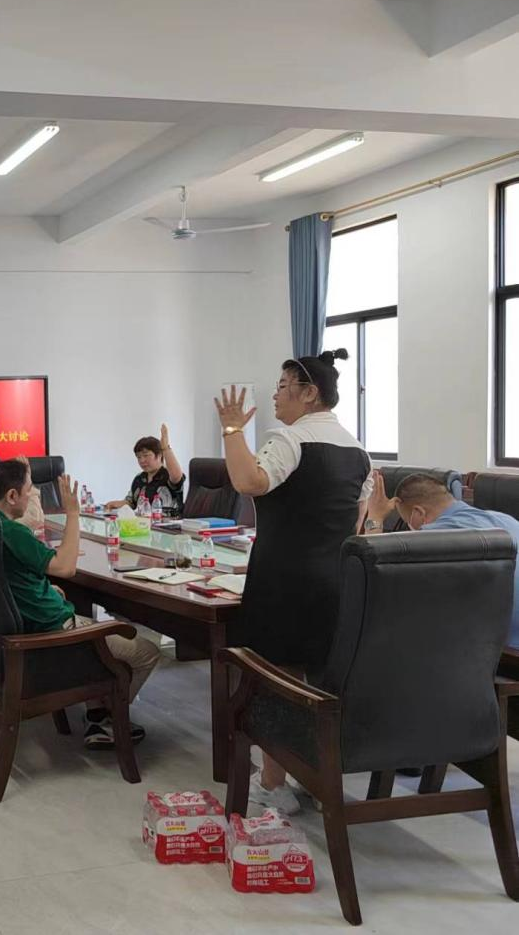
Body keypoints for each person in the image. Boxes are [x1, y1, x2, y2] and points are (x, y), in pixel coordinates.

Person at [214, 349, 372, 814]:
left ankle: (273, 783)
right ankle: (316, 778)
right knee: (319, 683)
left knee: (275, 680)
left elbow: (249, 482)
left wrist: (232, 431)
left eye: (284, 387)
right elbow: (357, 521)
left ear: (310, 393)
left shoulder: (290, 440)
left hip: (282, 581)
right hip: (336, 583)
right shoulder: (358, 452)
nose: (276, 395)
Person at [0, 459, 160, 748]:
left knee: (90, 620)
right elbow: (66, 567)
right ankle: (109, 722)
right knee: (146, 652)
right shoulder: (13, 531)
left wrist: (42, 589)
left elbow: (6, 580)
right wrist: (73, 513)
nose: (31, 497)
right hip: (53, 633)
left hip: (25, 624)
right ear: (12, 495)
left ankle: (97, 712)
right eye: (29, 491)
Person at [365, 473, 519, 649]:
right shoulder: (506, 520)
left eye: (407, 521)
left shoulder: (436, 538)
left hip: (505, 654)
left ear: (418, 513)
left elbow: (376, 582)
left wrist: (375, 517)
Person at [105, 425, 186, 516]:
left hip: (168, 523)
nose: (142, 460)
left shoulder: (168, 474)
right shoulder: (139, 478)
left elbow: (176, 476)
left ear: (159, 455)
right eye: (138, 457)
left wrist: (165, 448)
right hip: (143, 522)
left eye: (146, 455)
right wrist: (115, 504)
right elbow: (131, 503)